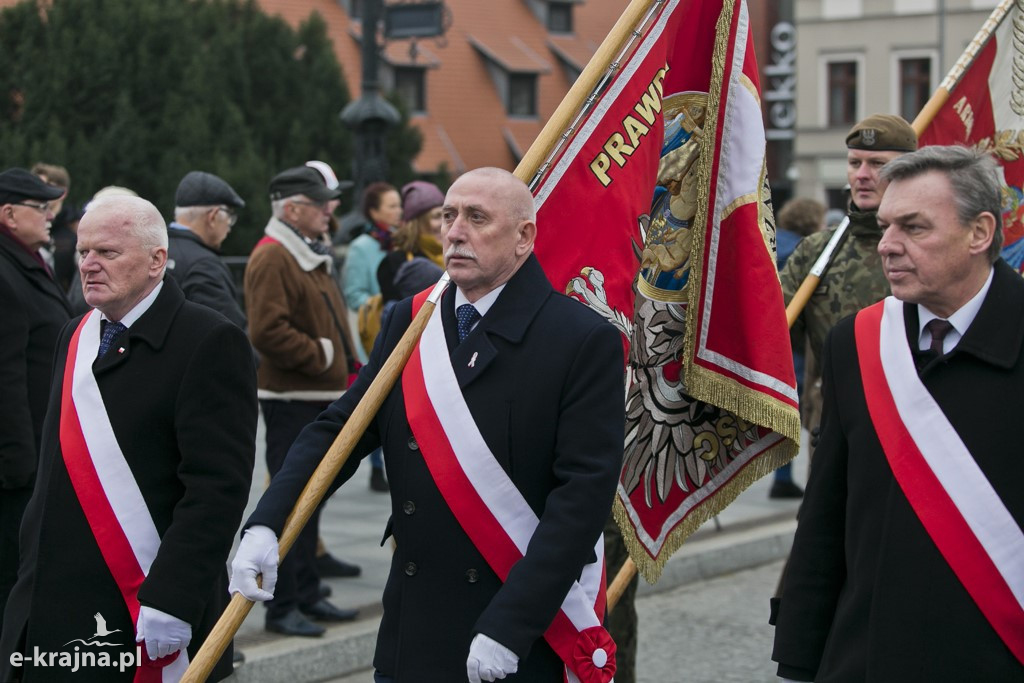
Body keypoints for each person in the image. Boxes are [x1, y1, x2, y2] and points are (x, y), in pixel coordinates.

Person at [231, 167, 625, 682]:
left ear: (524, 236)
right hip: (414, 624)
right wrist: (269, 520)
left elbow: (582, 499)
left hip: (514, 623)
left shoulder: (579, 339)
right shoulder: (409, 320)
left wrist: (513, 623)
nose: (455, 231)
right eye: (449, 216)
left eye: (477, 218)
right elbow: (341, 430)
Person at [771, 145, 1024, 680]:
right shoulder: (855, 343)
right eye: (885, 225)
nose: (887, 246)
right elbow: (825, 513)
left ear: (979, 234)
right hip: (869, 654)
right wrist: (800, 655)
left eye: (913, 228)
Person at [0, 195, 257, 682]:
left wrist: (174, 597)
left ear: (156, 260)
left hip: (139, 606)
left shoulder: (209, 340)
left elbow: (215, 491)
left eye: (108, 254)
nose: (89, 266)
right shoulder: (73, 334)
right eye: (82, 252)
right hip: (47, 601)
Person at [244, 166, 361, 637]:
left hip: (315, 395)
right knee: (290, 505)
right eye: (321, 203)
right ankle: (283, 605)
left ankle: (307, 595)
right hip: (292, 399)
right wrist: (326, 355)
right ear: (292, 209)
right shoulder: (274, 257)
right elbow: (266, 331)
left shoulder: (307, 250)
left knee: (309, 504)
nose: (331, 210)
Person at [779, 114, 917, 437]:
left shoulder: (926, 247)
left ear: (907, 171)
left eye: (878, 164)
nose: (863, 175)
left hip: (909, 426)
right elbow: (779, 328)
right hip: (832, 425)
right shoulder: (816, 252)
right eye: (855, 163)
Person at [0, 169, 69, 622]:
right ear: (8, 214)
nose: (50, 216)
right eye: (39, 208)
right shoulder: (6, 272)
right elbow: (6, 376)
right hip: (17, 465)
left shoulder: (25, 260)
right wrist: (22, 464)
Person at [344, 181, 402, 492]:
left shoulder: (401, 241)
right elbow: (354, 294)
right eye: (391, 206)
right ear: (374, 210)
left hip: (405, 330)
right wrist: (389, 305)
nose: (398, 212)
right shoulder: (361, 247)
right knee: (375, 399)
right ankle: (377, 466)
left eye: (399, 206)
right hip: (377, 332)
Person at [770, 197, 825, 499]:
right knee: (808, 407)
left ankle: (782, 476)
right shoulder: (806, 251)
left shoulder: (771, 241)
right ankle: (788, 476)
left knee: (783, 409)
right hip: (798, 343)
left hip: (773, 339)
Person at [166, 170, 247, 329]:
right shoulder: (204, 265)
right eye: (230, 216)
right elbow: (230, 335)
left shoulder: (155, 251)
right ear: (213, 216)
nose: (229, 227)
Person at [376, 180, 445, 309]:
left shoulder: (454, 257)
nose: (444, 224)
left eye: (447, 216)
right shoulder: (394, 262)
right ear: (418, 223)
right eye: (436, 216)